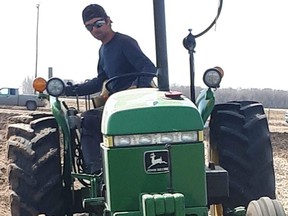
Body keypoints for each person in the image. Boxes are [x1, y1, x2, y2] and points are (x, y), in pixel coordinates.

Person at [65, 4, 157, 174]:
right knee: (87, 119)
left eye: (98, 24)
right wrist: (71, 90)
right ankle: (97, 173)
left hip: (132, 104)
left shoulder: (125, 42)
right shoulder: (103, 51)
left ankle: (96, 170)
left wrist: (137, 89)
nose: (95, 29)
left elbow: (148, 67)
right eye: (89, 27)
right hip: (116, 105)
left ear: (108, 21)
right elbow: (100, 80)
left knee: (90, 120)